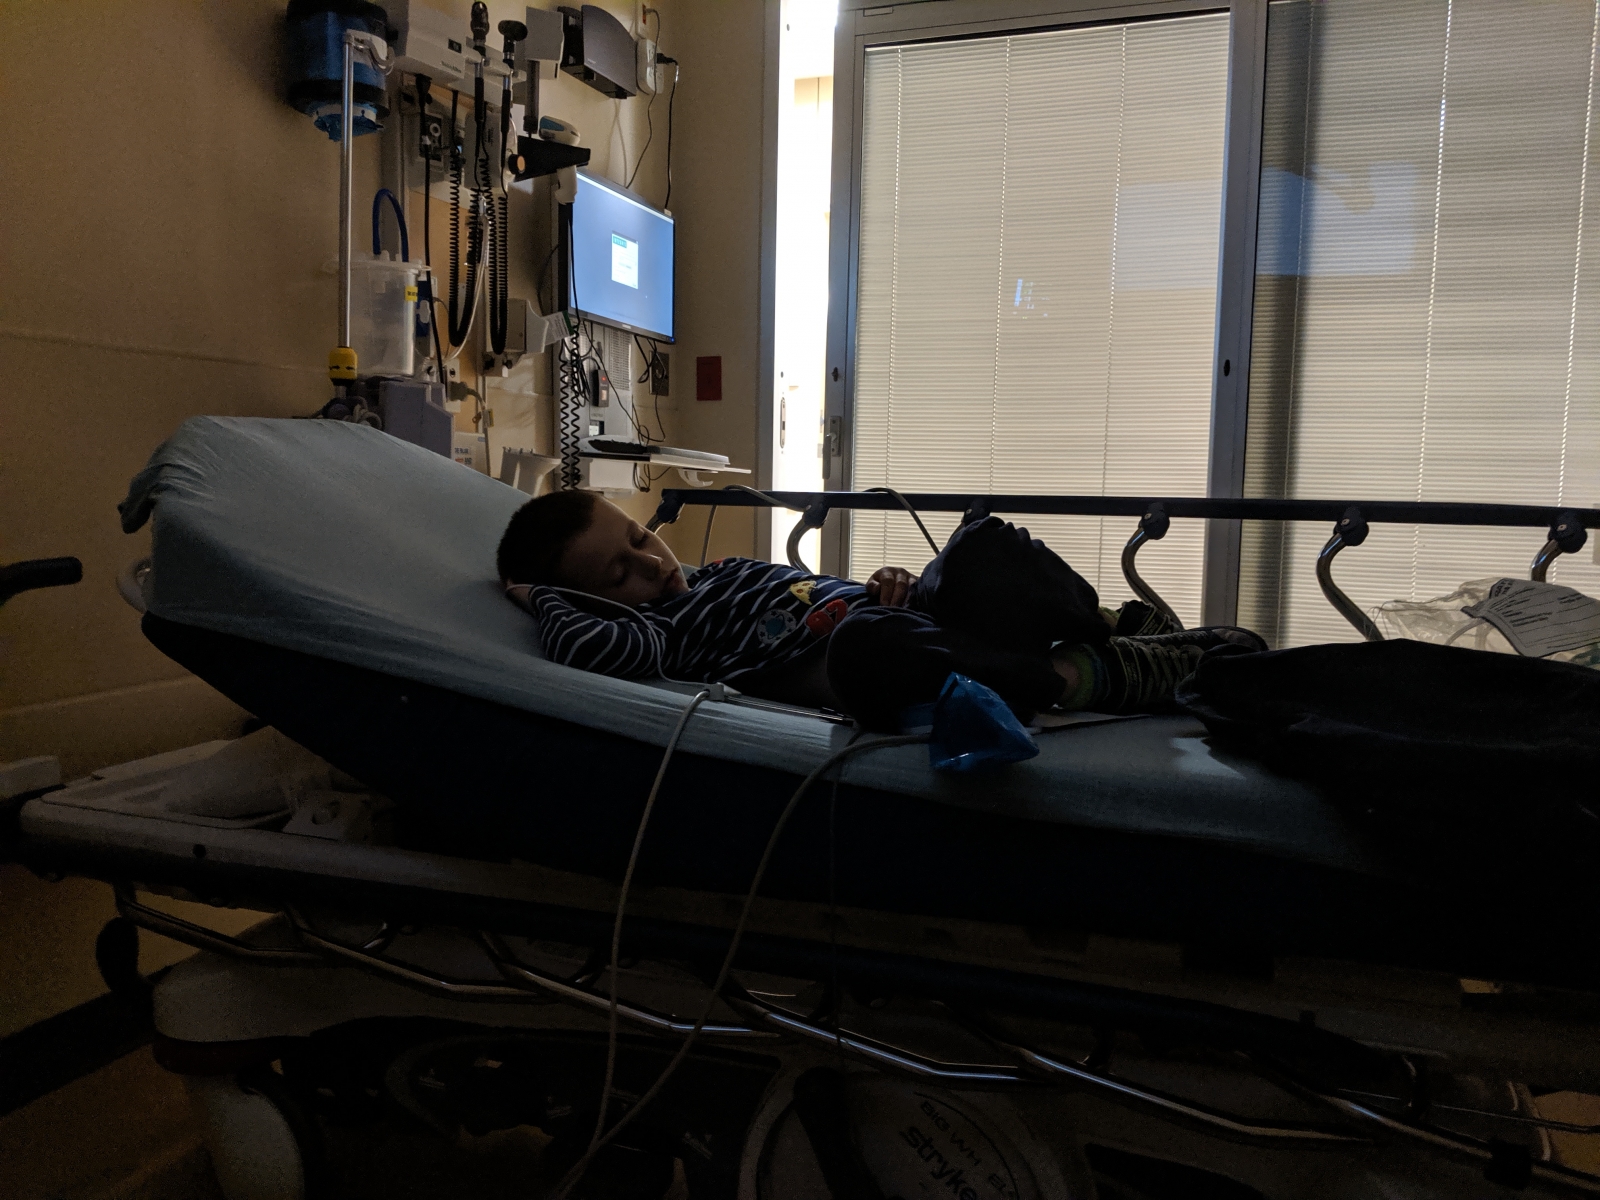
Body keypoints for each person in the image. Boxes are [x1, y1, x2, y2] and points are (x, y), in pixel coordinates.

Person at [497, 491, 1264, 730]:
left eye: (641, 539)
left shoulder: (723, 570)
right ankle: (1085, 676)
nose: (652, 565)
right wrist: (543, 597)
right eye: (619, 573)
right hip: (873, 660)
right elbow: (589, 651)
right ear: (590, 602)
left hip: (913, 620)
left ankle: (1118, 636)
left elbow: (817, 594)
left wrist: (885, 582)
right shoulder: (651, 635)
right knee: (864, 642)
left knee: (977, 545)